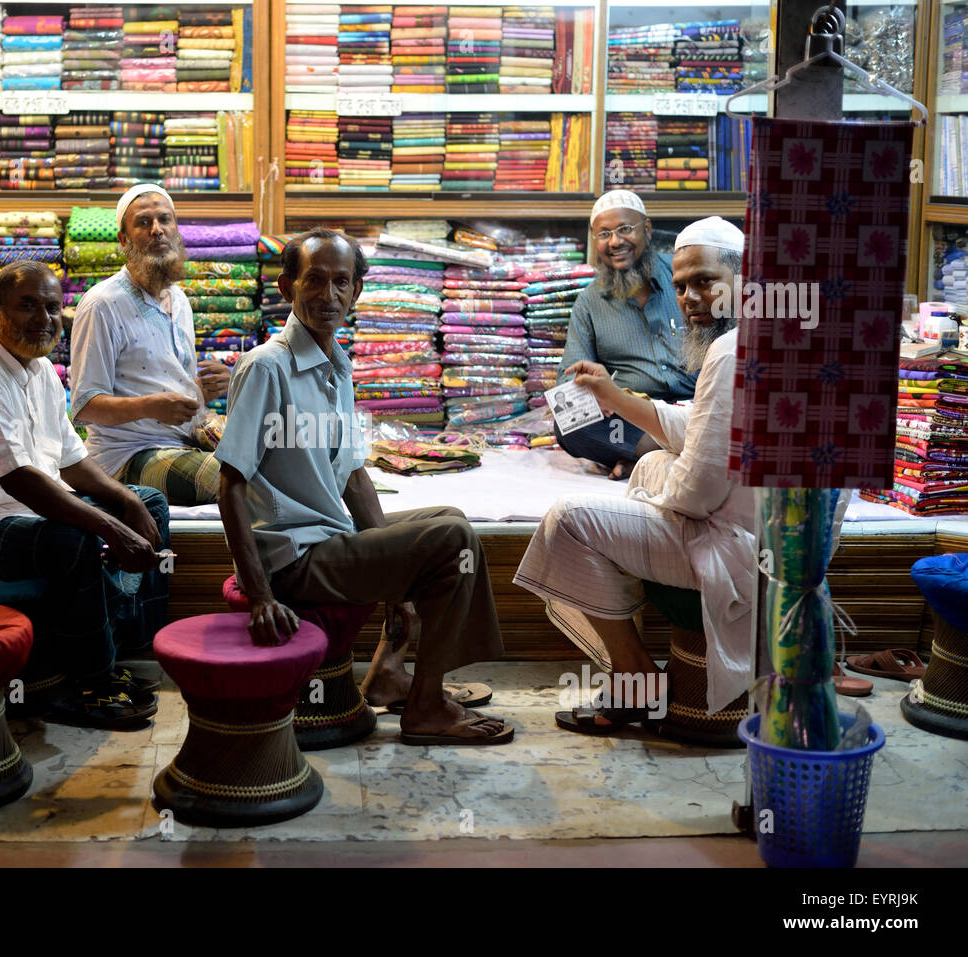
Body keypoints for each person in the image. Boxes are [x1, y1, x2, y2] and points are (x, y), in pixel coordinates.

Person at [215, 227, 513, 746]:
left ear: (356, 293)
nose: (328, 296)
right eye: (314, 281)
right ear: (287, 288)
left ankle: (391, 674)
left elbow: (354, 475)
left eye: (341, 283)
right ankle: (425, 705)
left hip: (329, 540)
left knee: (451, 519)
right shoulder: (267, 367)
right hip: (293, 558)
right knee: (453, 543)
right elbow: (229, 484)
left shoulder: (338, 364)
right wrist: (260, 593)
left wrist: (394, 577)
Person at [513, 217, 810, 736]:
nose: (690, 297)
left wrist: (657, 494)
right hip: (774, 541)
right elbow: (699, 424)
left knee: (568, 520)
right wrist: (614, 398)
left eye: (704, 281)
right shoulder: (777, 336)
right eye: (679, 286)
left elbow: (696, 495)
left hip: (737, 552)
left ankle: (635, 677)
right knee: (650, 463)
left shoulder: (729, 350)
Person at [0, 261, 169, 729]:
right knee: (74, 540)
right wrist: (109, 526)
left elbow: (69, 460)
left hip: (26, 513)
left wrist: (125, 503)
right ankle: (88, 683)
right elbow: (22, 481)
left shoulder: (40, 370)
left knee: (149, 502)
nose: (43, 318)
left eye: (51, 306)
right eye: (27, 306)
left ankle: (120, 650)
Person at [70, 184, 232, 505]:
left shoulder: (180, 300)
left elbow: (172, 387)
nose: (157, 230)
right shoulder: (102, 304)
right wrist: (150, 407)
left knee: (273, 454)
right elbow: (84, 405)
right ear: (124, 239)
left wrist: (205, 387)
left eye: (165, 220)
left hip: (185, 439)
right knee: (230, 477)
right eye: (143, 223)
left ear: (176, 230)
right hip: (127, 456)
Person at [555, 189, 695, 479]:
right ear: (595, 241)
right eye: (604, 234)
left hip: (696, 408)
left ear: (647, 228)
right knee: (569, 421)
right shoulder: (589, 303)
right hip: (635, 415)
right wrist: (592, 393)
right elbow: (570, 378)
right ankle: (668, 458)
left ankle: (649, 461)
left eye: (625, 229)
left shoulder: (684, 275)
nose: (616, 241)